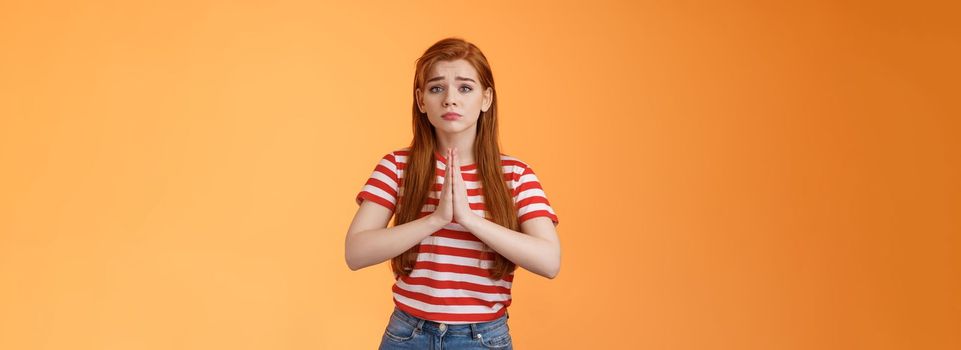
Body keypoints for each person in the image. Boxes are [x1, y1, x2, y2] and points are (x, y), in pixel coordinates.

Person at [345, 37, 561, 350]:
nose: (450, 99)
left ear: (486, 98)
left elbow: (549, 261)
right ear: (421, 101)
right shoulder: (396, 167)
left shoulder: (515, 175)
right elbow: (355, 252)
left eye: (465, 88)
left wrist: (470, 219)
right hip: (407, 335)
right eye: (436, 88)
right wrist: (435, 219)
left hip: (483, 338)